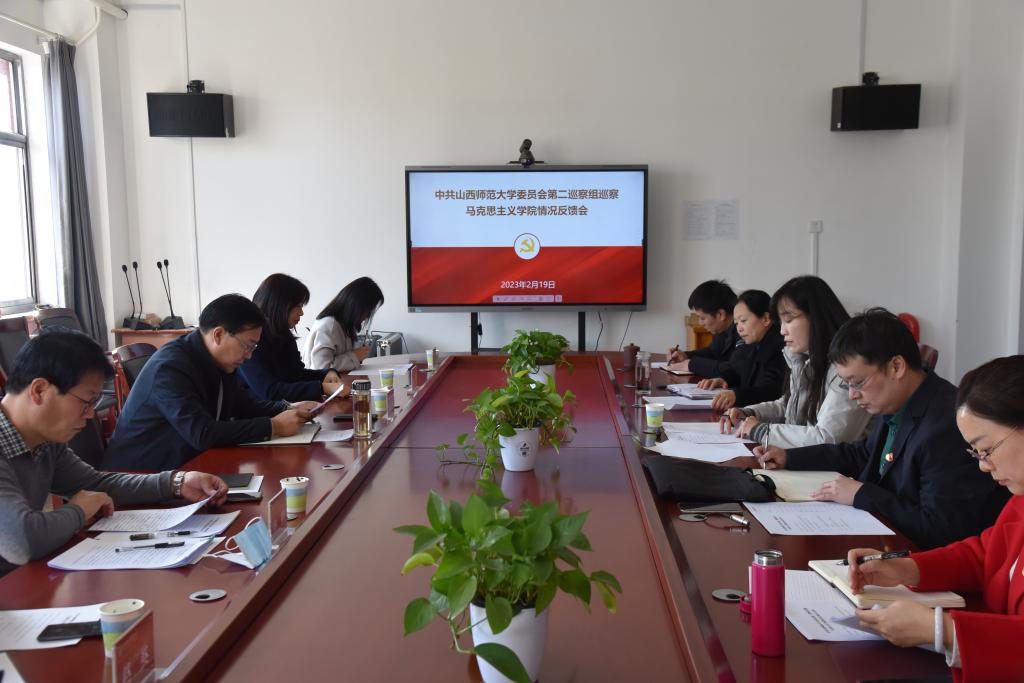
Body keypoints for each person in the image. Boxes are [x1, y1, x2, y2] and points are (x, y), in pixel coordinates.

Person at [755, 309, 1008, 549]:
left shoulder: (945, 426)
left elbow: (940, 529)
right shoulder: (901, 401)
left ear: (896, 367)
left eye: (857, 382)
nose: (852, 394)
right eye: (846, 385)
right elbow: (863, 454)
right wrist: (790, 457)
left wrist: (862, 494)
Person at [845, 355, 1024, 681]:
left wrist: (941, 630)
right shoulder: (1020, 500)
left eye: (987, 449)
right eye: (976, 453)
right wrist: (908, 568)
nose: (983, 465)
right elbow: (985, 554)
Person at [0, 331, 227, 576]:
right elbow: (21, 541)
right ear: (39, 391)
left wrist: (176, 483)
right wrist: (79, 511)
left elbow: (95, 485)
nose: (90, 415)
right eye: (86, 402)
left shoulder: (46, 442)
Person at [104, 294, 317, 471]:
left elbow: (243, 405)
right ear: (218, 335)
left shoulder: (219, 360)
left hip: (187, 467)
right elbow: (202, 433)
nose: (249, 355)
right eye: (248, 346)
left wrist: (287, 408)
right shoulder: (170, 368)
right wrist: (274, 426)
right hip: (140, 477)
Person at [721, 275, 871, 447]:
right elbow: (789, 406)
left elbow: (828, 438)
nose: (782, 331)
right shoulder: (804, 358)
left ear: (816, 317)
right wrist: (748, 413)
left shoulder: (848, 367)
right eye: (781, 322)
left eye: (789, 320)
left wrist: (762, 430)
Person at [239, 273, 346, 402]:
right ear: (279, 305)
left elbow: (297, 375)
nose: (301, 312)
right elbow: (270, 392)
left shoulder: (284, 336)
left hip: (287, 409)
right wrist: (322, 388)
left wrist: (326, 374)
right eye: (298, 306)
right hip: (261, 412)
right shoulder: (251, 342)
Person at [695, 289, 786, 412]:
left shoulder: (780, 346)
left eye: (743, 321)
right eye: (736, 323)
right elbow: (739, 371)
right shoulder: (752, 342)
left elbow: (771, 391)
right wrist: (723, 380)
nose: (739, 329)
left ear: (765, 318)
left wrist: (737, 395)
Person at [302, 277, 384, 372]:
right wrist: (354, 356)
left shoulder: (343, 325)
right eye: (368, 310)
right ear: (356, 305)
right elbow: (321, 368)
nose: (367, 317)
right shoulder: (329, 325)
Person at [666, 279, 741, 376]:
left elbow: (733, 369)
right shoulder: (722, 328)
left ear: (720, 314)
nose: (700, 323)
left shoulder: (744, 332)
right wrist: (686, 355)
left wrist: (691, 364)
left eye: (702, 318)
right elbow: (712, 352)